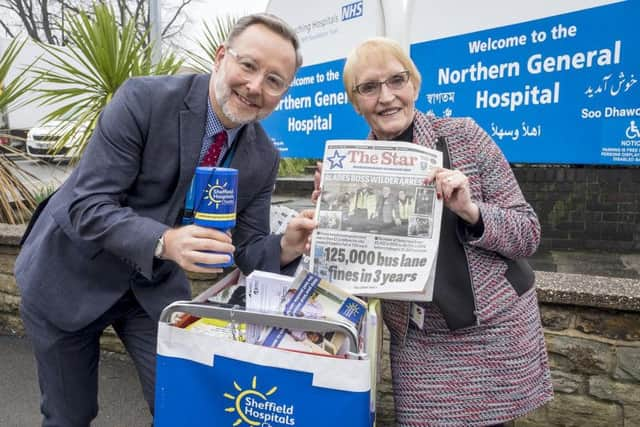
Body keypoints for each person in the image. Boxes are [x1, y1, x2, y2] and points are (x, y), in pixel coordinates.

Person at [15, 13, 316, 426]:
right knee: (71, 414)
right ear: (221, 57)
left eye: (274, 80)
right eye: (248, 66)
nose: (255, 86)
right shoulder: (143, 99)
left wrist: (286, 246)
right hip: (70, 274)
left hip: (150, 288)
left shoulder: (263, 157)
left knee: (185, 405)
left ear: (283, 93)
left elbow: (245, 248)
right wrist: (166, 242)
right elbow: (86, 204)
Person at [313, 37, 552, 426]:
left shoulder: (466, 137)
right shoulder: (351, 168)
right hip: (420, 342)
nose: (386, 96)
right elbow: (350, 276)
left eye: (397, 80)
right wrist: (329, 221)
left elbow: (528, 232)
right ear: (355, 103)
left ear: (415, 85)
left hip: (492, 331)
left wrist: (471, 211)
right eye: (369, 87)